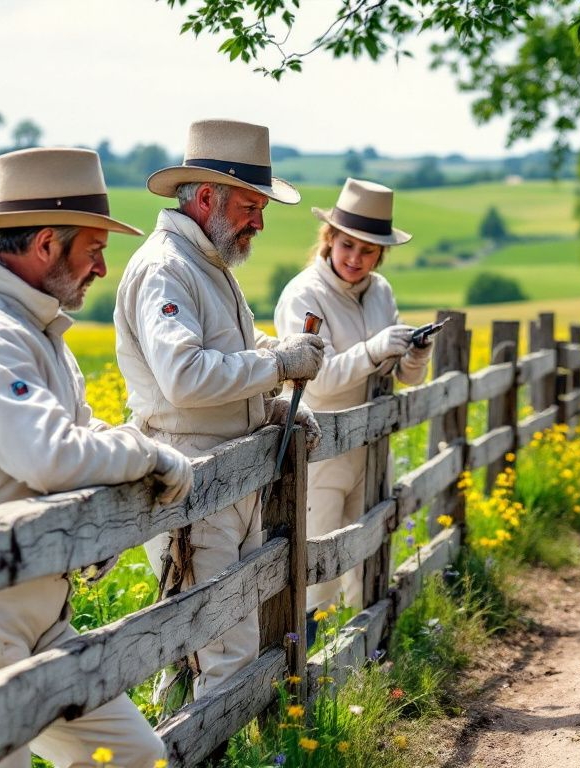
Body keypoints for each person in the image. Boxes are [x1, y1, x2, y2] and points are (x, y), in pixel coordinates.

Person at [0, 147, 193, 767]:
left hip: (32, 603)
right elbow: (52, 455)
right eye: (93, 248)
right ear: (44, 244)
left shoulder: (32, 327)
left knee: (133, 756)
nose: (101, 266)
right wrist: (148, 455)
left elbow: (81, 434)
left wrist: (102, 511)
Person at [114, 119, 325, 699]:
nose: (260, 221)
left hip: (223, 477)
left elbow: (228, 359)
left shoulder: (206, 263)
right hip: (194, 483)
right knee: (221, 653)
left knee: (209, 648)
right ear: (208, 197)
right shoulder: (168, 268)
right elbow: (185, 379)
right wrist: (280, 367)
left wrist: (272, 405)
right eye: (252, 205)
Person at [273, 178, 430, 622]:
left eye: (368, 251)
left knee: (370, 550)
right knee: (317, 567)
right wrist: (374, 349)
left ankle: (368, 660)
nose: (355, 259)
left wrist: (414, 355)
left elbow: (401, 377)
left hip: (371, 444)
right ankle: (309, 676)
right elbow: (314, 383)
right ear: (329, 239)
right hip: (320, 450)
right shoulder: (305, 294)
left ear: (382, 254)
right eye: (347, 246)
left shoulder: (380, 291)